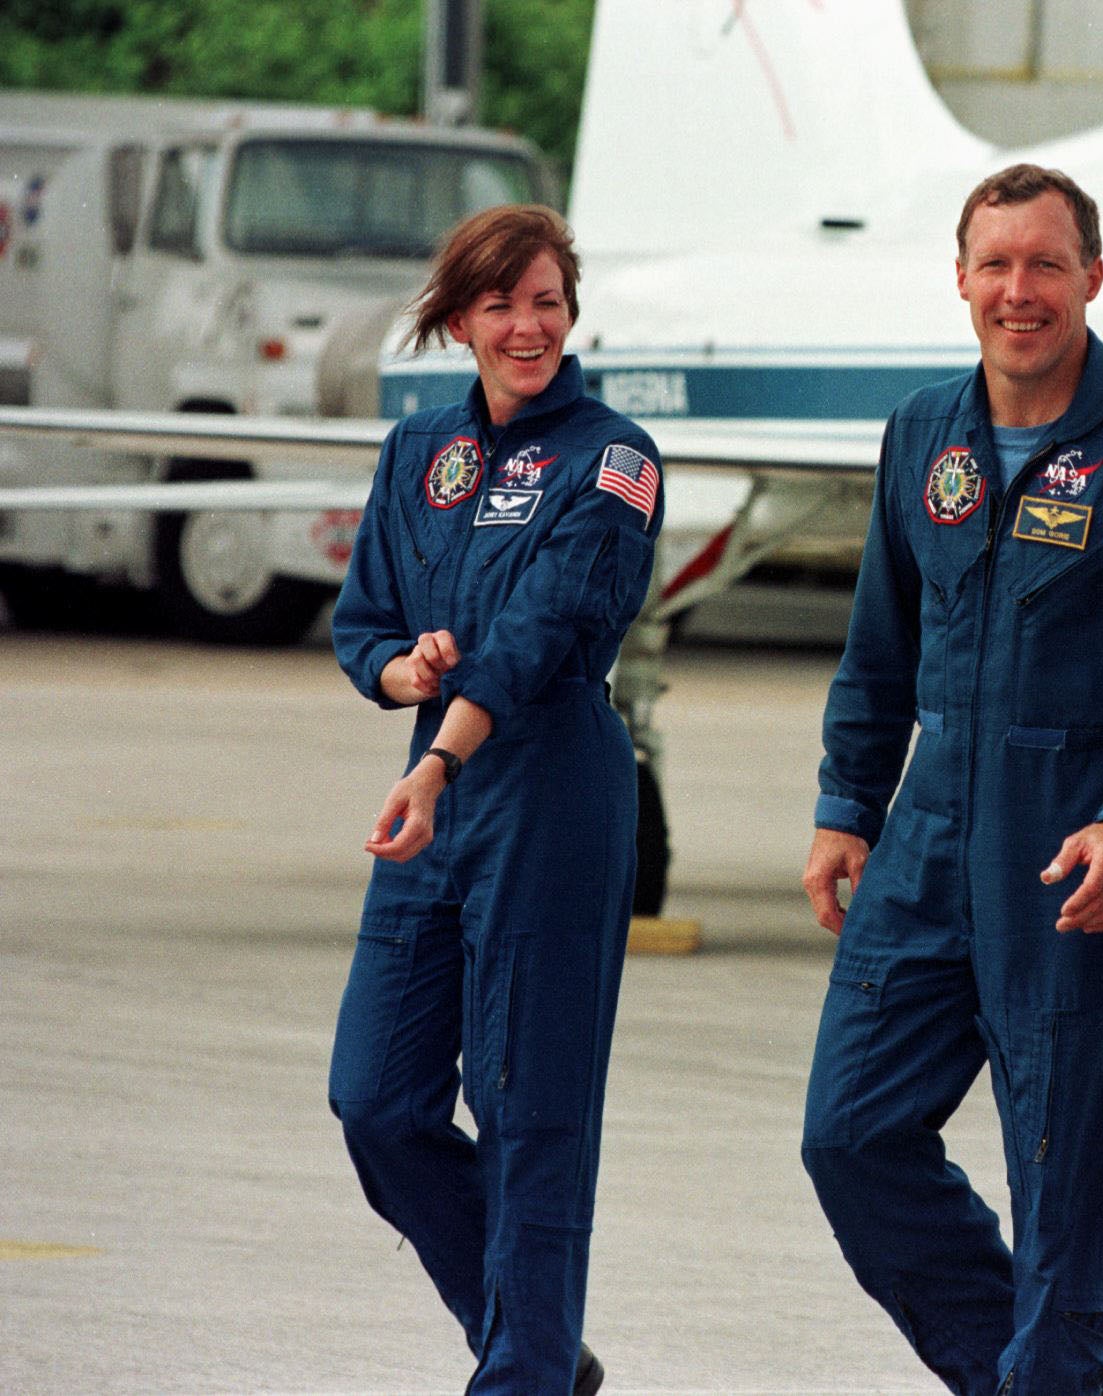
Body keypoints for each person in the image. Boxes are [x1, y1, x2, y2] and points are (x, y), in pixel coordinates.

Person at [798, 163, 1103, 1395]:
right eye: (994, 265)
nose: (1019, 291)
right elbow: (877, 648)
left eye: (1045, 264)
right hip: (924, 845)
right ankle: (1037, 1379)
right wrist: (848, 807)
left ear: (1092, 279)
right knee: (848, 1136)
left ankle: (1051, 1370)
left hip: (1071, 861)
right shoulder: (921, 435)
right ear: (958, 280)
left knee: (1058, 1183)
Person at [327, 203, 663, 1395]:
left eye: (547, 301)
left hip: (548, 784)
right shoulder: (420, 450)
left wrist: (437, 754)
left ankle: (517, 1374)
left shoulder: (614, 457)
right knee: (373, 1098)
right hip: (436, 782)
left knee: (531, 1111)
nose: (528, 326)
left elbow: (539, 634)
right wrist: (397, 673)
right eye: (501, 303)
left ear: (571, 310)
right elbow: (361, 611)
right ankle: (535, 1345)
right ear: (458, 316)